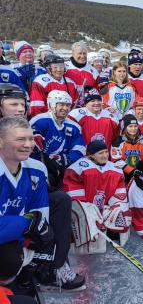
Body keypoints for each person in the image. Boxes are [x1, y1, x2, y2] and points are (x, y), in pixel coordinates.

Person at [0, 117, 85, 292]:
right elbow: (29, 222)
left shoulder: (37, 168)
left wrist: (38, 237)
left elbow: (39, 212)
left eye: (31, 138)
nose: (28, 144)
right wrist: (27, 225)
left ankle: (52, 269)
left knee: (60, 201)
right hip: (8, 232)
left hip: (16, 228)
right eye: (20, 139)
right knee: (10, 258)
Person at [63, 139, 131, 252]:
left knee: (122, 214)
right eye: (100, 153)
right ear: (90, 155)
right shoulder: (78, 167)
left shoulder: (115, 169)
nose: (104, 155)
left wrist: (116, 208)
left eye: (106, 152)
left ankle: (115, 240)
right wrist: (88, 212)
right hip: (86, 209)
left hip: (104, 208)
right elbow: (74, 194)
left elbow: (120, 194)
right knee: (84, 225)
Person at [29, 91, 86, 188]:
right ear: (51, 104)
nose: (65, 108)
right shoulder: (40, 121)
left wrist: (66, 159)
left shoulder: (74, 126)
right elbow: (30, 144)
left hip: (62, 169)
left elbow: (80, 148)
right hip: (37, 168)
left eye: (68, 105)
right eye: (61, 104)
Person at [110, 114, 143, 183]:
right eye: (130, 126)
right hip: (124, 173)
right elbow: (116, 160)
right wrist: (132, 171)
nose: (133, 129)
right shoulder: (118, 142)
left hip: (140, 172)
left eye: (135, 126)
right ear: (125, 128)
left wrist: (141, 170)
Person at [64, 41, 98, 106]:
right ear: (73, 54)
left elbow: (97, 91)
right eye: (79, 53)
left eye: (84, 53)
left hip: (85, 107)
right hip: (66, 106)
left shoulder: (93, 71)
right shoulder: (64, 67)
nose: (82, 56)